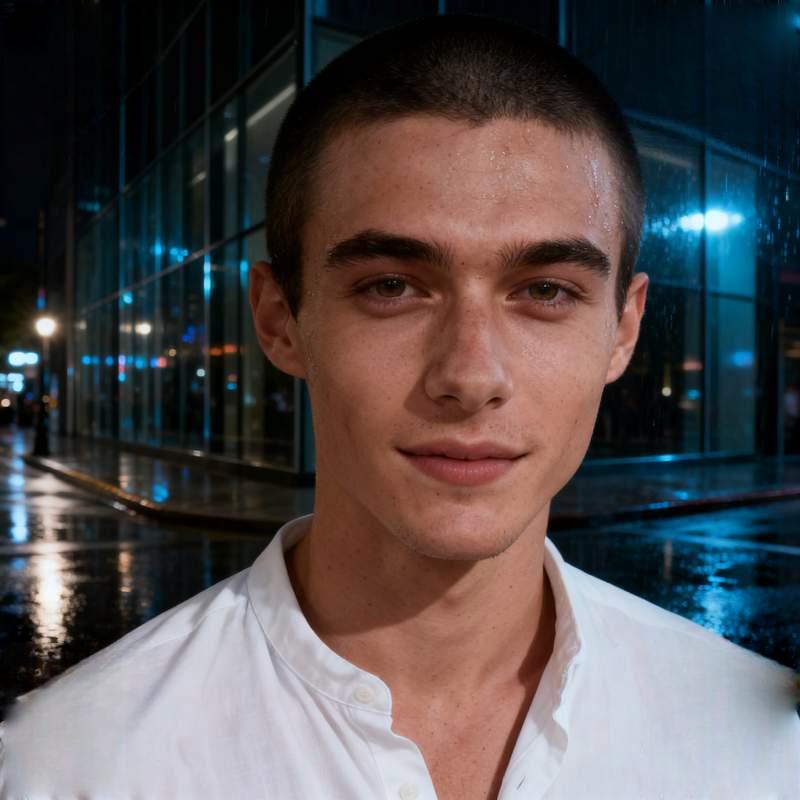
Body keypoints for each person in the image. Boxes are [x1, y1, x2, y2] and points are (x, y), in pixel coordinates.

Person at [2, 14, 798, 800]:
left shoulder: (765, 748)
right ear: (281, 319)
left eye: (546, 291)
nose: (470, 374)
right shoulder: (67, 768)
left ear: (622, 330)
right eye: (392, 287)